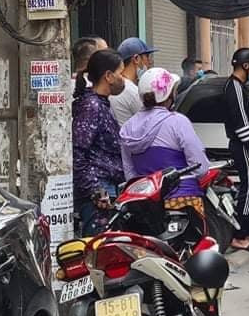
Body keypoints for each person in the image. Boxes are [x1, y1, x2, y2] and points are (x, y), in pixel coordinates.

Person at [120, 67, 210, 218]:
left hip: (146, 207)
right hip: (183, 201)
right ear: (169, 95)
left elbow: (130, 175)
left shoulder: (127, 128)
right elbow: (200, 167)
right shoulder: (177, 122)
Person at [72, 48, 127, 236]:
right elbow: (77, 151)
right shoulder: (91, 106)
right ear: (109, 76)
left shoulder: (102, 103)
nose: (124, 79)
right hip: (99, 192)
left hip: (109, 188)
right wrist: (94, 189)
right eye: (121, 73)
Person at [224, 47, 249, 254]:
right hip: (244, 147)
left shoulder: (240, 88)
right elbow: (241, 123)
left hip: (246, 146)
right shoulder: (235, 88)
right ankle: (239, 236)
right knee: (248, 190)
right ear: (246, 66)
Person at [110, 37, 158, 126]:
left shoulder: (115, 86)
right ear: (136, 58)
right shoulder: (132, 92)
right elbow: (153, 123)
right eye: (147, 57)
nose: (150, 62)